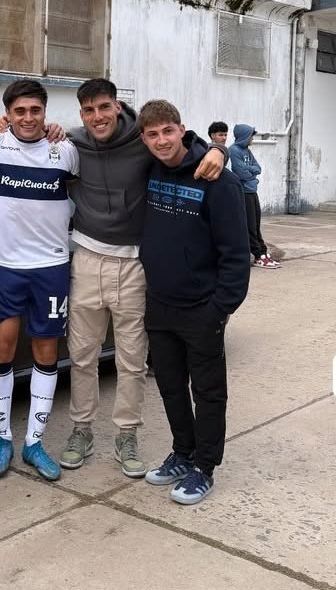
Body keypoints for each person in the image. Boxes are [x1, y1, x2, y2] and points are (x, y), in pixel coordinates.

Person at [60, 79, 225, 477]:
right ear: (81, 114)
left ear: (117, 107)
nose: (98, 117)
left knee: (132, 360)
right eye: (89, 110)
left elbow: (184, 144)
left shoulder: (143, 140)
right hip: (87, 260)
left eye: (104, 107)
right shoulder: (72, 142)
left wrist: (218, 150)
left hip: (134, 265)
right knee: (82, 356)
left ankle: (127, 435)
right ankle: (81, 430)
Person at [138, 100, 250, 505]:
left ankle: (204, 467)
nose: (161, 141)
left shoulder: (219, 181)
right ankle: (182, 454)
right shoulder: (150, 169)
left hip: (202, 307)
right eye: (152, 134)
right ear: (143, 139)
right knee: (170, 387)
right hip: (160, 304)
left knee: (208, 392)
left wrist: (220, 309)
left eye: (168, 131)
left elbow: (236, 254)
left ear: (182, 129)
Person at [0, 79, 79, 482]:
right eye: (20, 111)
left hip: (51, 267)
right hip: (6, 267)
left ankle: (34, 443)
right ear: (8, 114)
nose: (28, 117)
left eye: (35, 110)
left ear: (45, 112)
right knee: (1, 348)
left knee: (46, 350)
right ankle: (3, 439)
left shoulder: (65, 150)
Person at [229, 124, 280, 269]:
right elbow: (241, 173)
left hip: (252, 191)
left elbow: (258, 168)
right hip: (243, 193)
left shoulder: (247, 151)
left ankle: (263, 252)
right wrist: (252, 175)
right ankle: (258, 256)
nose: (252, 139)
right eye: (251, 136)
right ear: (244, 136)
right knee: (250, 226)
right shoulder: (234, 150)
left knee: (256, 225)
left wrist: (250, 174)